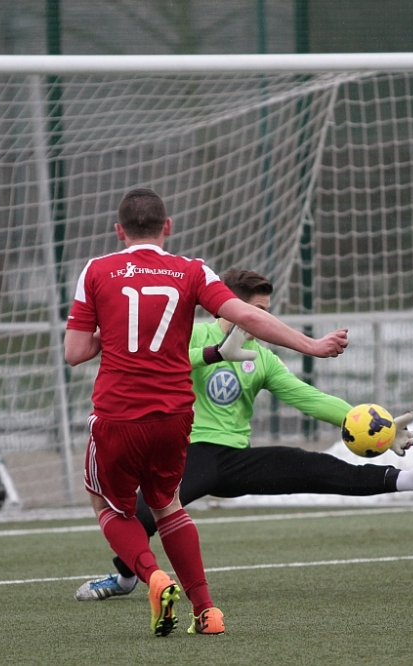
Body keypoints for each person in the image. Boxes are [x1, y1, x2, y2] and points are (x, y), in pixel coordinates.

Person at [63, 188, 349, 637]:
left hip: (119, 413)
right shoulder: (192, 270)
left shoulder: (97, 270)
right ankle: (207, 611)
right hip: (175, 416)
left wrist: (111, 334)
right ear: (168, 227)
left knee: (107, 505)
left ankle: (153, 578)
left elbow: (75, 352)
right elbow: (248, 318)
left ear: (119, 231)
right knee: (168, 505)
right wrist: (312, 345)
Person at [74, 268, 413, 603]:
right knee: (141, 515)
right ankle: (125, 578)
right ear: (229, 307)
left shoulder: (262, 358)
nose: (264, 319)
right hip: (189, 453)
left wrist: (376, 426)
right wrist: (215, 352)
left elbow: (309, 398)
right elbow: (158, 362)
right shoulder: (192, 334)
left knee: (313, 467)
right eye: (258, 310)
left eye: (267, 311)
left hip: (234, 460)